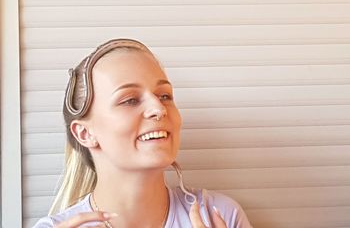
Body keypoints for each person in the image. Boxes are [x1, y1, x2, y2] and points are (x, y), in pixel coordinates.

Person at [33, 39, 253, 228]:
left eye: (165, 96)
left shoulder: (219, 215)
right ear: (84, 133)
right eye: (129, 100)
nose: (159, 108)